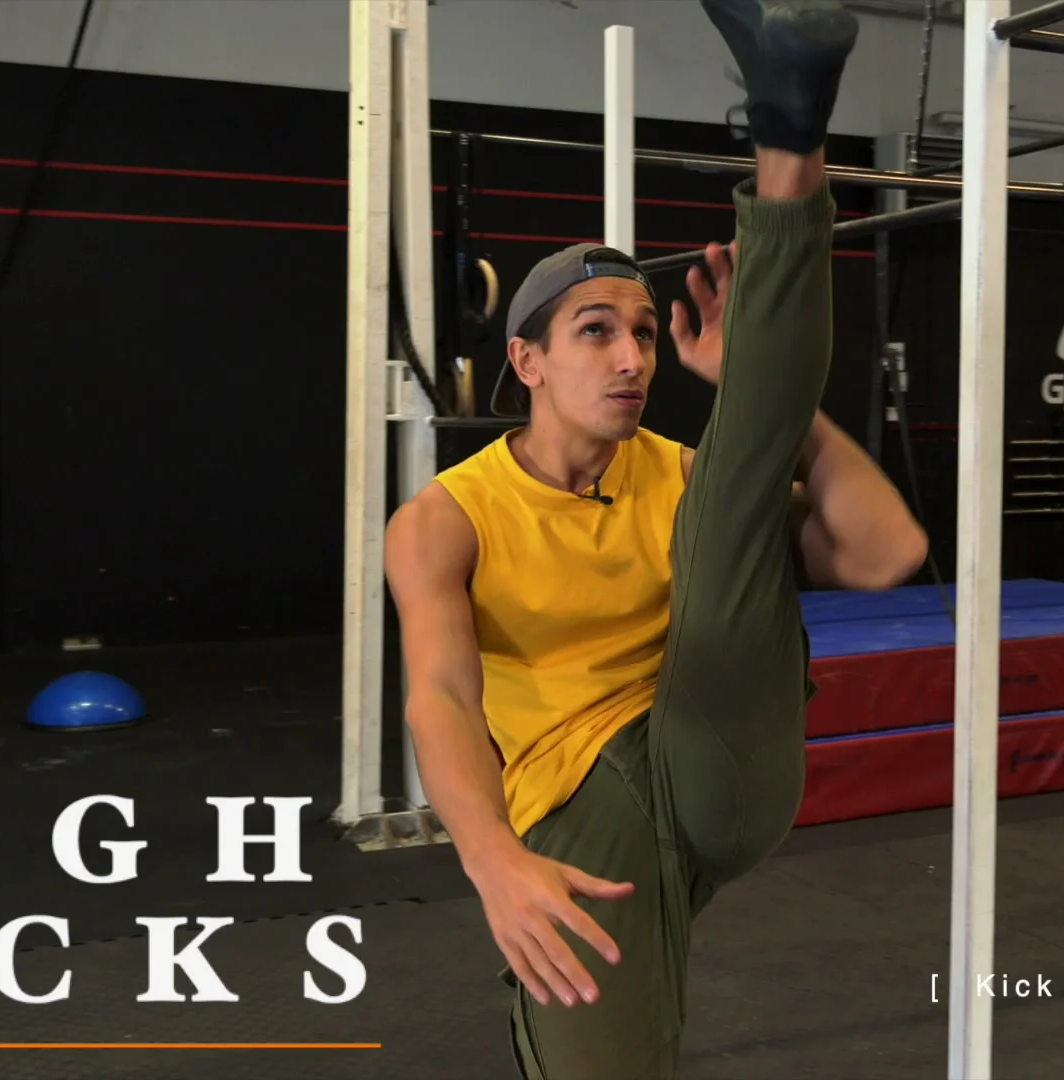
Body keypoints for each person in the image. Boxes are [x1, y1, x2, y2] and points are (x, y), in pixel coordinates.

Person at [383, 2, 924, 1075]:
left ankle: (790, 130)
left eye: (643, 332)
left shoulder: (682, 476)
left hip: (714, 751)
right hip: (583, 813)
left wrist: (767, 396)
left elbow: (884, 551)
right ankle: (787, 120)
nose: (633, 358)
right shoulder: (445, 516)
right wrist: (490, 860)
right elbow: (439, 696)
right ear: (528, 362)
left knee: (733, 483)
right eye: (596, 332)